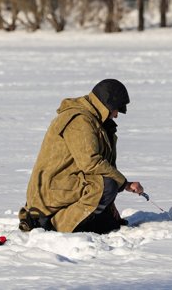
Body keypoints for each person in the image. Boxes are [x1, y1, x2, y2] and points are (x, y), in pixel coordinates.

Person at [19, 79, 143, 234]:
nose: (117, 115)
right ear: (107, 105)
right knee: (106, 185)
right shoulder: (80, 120)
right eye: (117, 109)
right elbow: (90, 163)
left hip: (68, 185)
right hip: (50, 191)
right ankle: (52, 223)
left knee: (109, 225)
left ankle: (76, 221)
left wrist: (109, 203)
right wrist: (123, 183)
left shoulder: (97, 122)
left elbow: (103, 165)